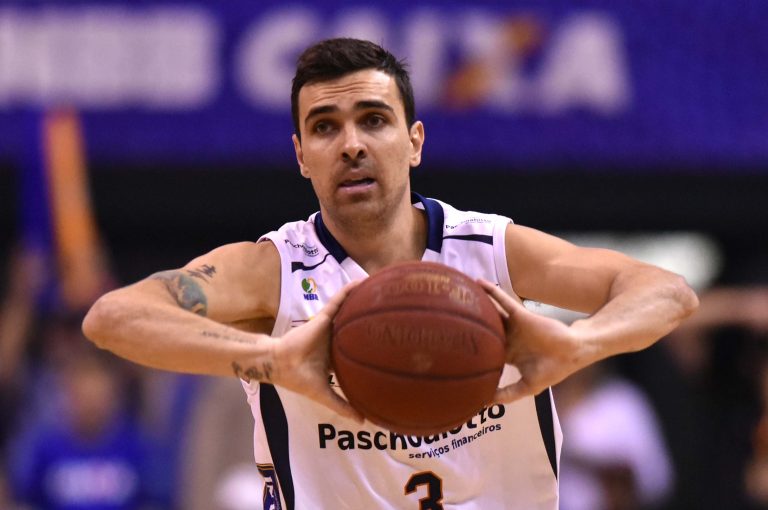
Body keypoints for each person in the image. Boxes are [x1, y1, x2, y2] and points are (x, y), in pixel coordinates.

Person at [82, 38, 698, 509]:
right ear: (301, 156)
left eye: (373, 119)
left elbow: (666, 291)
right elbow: (113, 318)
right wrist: (271, 360)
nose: (351, 144)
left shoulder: (490, 250)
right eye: (325, 127)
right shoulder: (275, 270)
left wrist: (578, 344)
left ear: (414, 141)